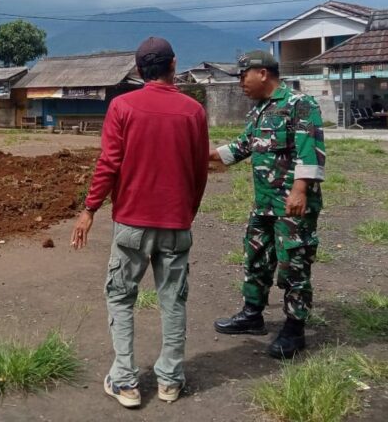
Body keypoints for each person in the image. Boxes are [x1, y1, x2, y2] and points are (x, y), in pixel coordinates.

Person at [71, 37, 209, 409]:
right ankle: (170, 381)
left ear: (137, 69)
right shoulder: (193, 111)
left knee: (120, 296)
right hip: (176, 224)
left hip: (131, 223)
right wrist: (186, 212)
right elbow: (200, 171)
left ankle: (125, 382)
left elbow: (108, 164)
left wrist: (89, 209)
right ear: (173, 65)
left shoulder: (122, 106)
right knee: (173, 300)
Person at [209, 50, 325, 360]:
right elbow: (245, 144)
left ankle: (294, 327)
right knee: (256, 257)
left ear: (262, 73)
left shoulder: (299, 104)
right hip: (264, 203)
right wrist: (207, 155)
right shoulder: (260, 110)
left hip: (292, 206)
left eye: (242, 75)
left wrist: (300, 189)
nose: (240, 83)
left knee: (294, 262)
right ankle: (252, 314)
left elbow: (310, 148)